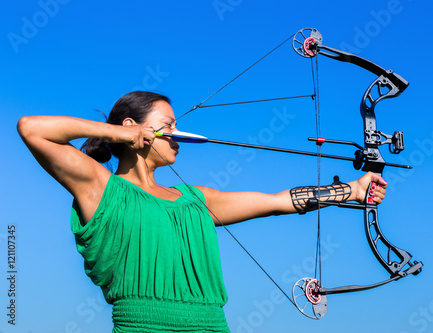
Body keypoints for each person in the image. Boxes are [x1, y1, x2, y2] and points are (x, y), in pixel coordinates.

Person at [17, 91, 387, 332]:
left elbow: (278, 201)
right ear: (133, 129)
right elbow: (32, 129)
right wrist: (119, 133)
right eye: (169, 126)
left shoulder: (196, 200)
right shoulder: (101, 189)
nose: (178, 134)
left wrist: (351, 191)